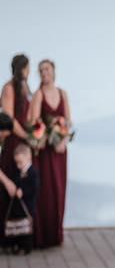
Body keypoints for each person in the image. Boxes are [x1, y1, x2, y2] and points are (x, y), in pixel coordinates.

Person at [29, 59, 71, 248]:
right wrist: (48, 133)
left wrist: (63, 140)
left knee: (59, 190)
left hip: (60, 150)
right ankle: (43, 235)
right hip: (45, 151)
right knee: (46, 191)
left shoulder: (63, 93)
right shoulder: (38, 95)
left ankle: (56, 234)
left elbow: (68, 121)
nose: (44, 72)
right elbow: (35, 122)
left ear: (53, 71)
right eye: (41, 70)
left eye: (47, 69)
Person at [0, 55, 32, 245]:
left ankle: (22, 235)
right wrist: (26, 136)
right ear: (22, 68)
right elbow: (9, 120)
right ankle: (7, 237)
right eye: (27, 68)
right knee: (9, 185)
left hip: (24, 144)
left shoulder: (25, 88)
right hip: (13, 141)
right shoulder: (9, 88)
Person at [0, 143, 39, 254]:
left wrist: (24, 191)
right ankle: (14, 244)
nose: (18, 165)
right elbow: (15, 182)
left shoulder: (33, 173)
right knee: (16, 225)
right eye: (17, 163)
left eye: (20, 162)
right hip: (17, 206)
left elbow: (34, 187)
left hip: (27, 205)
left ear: (28, 157)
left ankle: (26, 247)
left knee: (26, 227)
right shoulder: (17, 172)